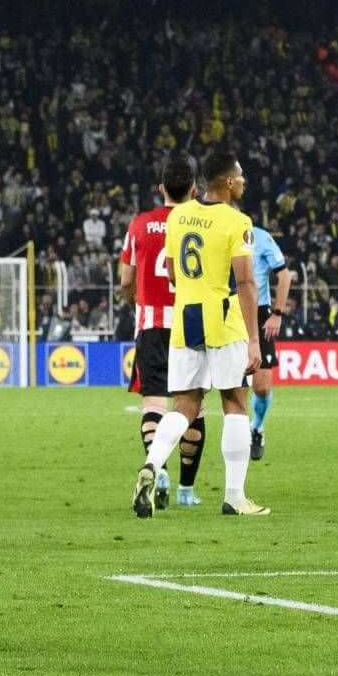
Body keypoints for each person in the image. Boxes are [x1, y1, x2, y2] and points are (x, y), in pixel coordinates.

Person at [132, 151, 268, 518]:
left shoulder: (179, 215)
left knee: (185, 406)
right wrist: (254, 340)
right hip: (223, 320)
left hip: (185, 319)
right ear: (226, 182)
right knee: (235, 402)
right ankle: (235, 496)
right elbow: (244, 281)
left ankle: (153, 463)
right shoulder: (237, 221)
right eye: (240, 176)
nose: (243, 181)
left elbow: (174, 275)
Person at [118, 157, 205, 509]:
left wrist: (135, 305)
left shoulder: (139, 224)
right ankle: (186, 490)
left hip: (151, 325)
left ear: (161, 189)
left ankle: (159, 469)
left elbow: (125, 280)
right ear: (194, 191)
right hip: (192, 324)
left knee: (153, 404)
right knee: (193, 409)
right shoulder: (200, 223)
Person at [247, 224, 294, 460]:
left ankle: (256, 427)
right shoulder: (215, 231)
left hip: (259, 313)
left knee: (262, 386)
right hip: (227, 311)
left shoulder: (261, 237)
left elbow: (284, 275)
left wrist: (277, 313)